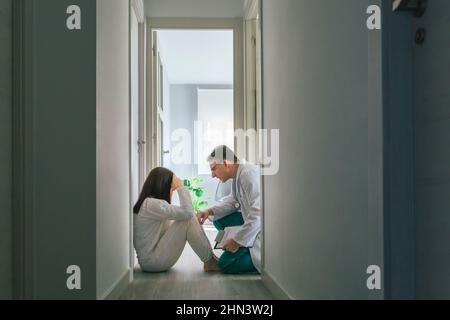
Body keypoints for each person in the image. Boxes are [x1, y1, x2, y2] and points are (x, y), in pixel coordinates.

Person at [133, 167, 219, 273]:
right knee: (189, 218)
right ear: (163, 186)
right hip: (152, 262)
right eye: (172, 189)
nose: (172, 192)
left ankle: (210, 258)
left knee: (186, 217)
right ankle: (209, 260)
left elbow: (183, 213)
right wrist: (180, 186)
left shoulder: (149, 204)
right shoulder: (151, 204)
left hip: (149, 260)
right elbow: (188, 213)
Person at [197, 146, 261, 274]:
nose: (212, 175)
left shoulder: (248, 174)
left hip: (260, 230)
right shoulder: (238, 175)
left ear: (225, 163)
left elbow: (258, 214)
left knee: (224, 264)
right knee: (217, 218)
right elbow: (233, 201)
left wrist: (238, 241)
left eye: (214, 169)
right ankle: (230, 245)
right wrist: (209, 211)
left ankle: (253, 257)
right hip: (250, 223)